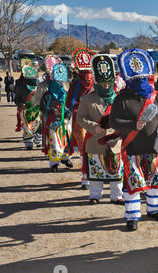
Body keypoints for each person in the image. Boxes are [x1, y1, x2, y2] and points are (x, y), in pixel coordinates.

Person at [109, 48, 158, 232]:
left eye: (143, 78)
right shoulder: (122, 99)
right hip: (132, 147)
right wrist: (133, 125)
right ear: (129, 79)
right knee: (133, 183)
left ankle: (154, 209)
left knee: (155, 181)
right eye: (136, 79)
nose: (141, 82)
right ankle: (133, 216)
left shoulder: (157, 96)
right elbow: (114, 121)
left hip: (155, 147)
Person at [77, 54, 124, 205]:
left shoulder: (118, 98)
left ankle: (116, 196)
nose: (106, 86)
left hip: (115, 141)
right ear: (97, 82)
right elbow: (80, 118)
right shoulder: (86, 99)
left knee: (116, 170)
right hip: (95, 140)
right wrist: (93, 126)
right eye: (103, 83)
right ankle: (95, 195)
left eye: (108, 83)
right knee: (96, 169)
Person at [66, 48, 95, 190]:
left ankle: (85, 178)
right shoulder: (98, 84)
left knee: (83, 149)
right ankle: (95, 175)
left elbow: (68, 102)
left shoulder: (75, 85)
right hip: (95, 120)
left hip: (79, 119)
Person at [39, 63, 73, 172]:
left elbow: (69, 108)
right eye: (57, 82)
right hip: (51, 122)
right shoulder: (47, 95)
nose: (60, 84)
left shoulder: (66, 94)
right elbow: (42, 108)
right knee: (54, 143)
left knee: (67, 140)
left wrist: (67, 118)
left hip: (64, 122)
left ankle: (66, 158)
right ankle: (54, 164)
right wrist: (53, 111)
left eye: (61, 82)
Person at [14, 64, 41, 150]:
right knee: (27, 127)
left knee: (37, 126)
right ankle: (29, 142)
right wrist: (21, 105)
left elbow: (41, 99)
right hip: (25, 111)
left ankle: (37, 140)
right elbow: (17, 99)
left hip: (37, 110)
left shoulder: (39, 87)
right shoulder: (20, 88)